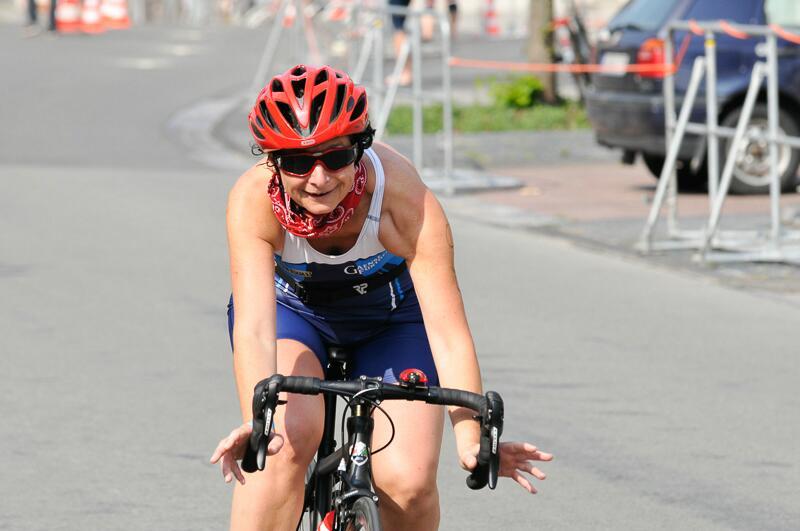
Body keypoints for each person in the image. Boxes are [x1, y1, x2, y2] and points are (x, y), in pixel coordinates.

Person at [210, 64, 552, 530]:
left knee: (408, 483)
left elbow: (447, 331)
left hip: (391, 319)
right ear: (272, 162)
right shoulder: (253, 199)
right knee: (282, 447)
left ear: (360, 147)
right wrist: (257, 422)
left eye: (336, 157)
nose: (318, 178)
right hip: (295, 313)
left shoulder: (402, 196)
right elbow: (254, 326)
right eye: (296, 162)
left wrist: (471, 437)